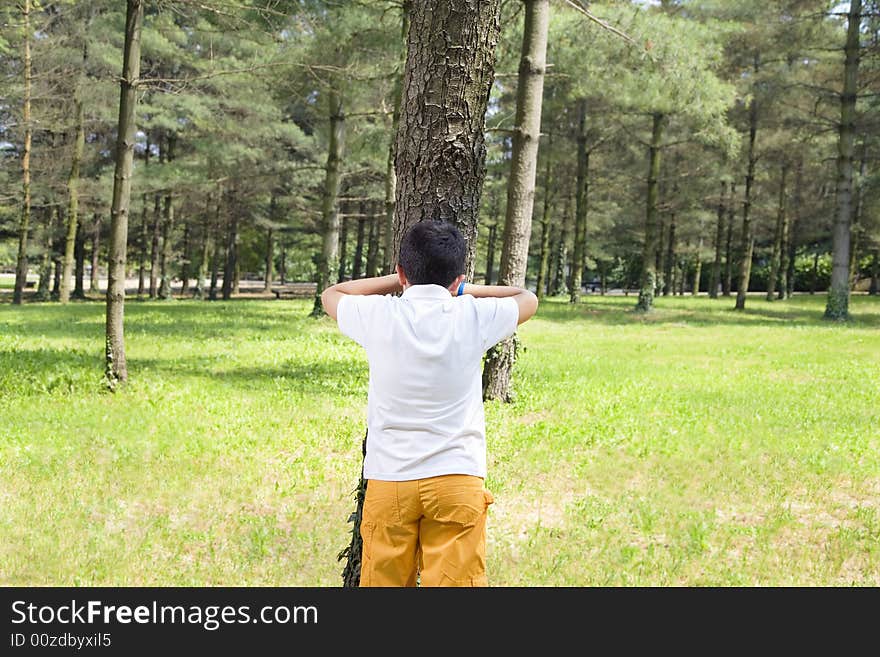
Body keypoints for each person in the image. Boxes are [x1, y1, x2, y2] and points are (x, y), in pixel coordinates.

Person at [321, 221, 538, 587]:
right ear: (457, 279)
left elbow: (333, 293)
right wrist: (460, 287)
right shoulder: (473, 315)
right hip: (456, 478)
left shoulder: (379, 315)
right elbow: (526, 298)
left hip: (390, 482)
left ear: (403, 271)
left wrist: (399, 281)